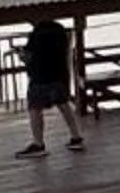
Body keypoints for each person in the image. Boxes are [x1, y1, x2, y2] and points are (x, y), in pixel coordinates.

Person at [19, 17, 85, 157]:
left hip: (40, 78)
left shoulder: (37, 33)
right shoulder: (60, 29)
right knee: (64, 105)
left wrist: (21, 55)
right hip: (59, 76)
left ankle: (38, 144)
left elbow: (28, 56)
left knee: (35, 109)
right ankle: (76, 137)